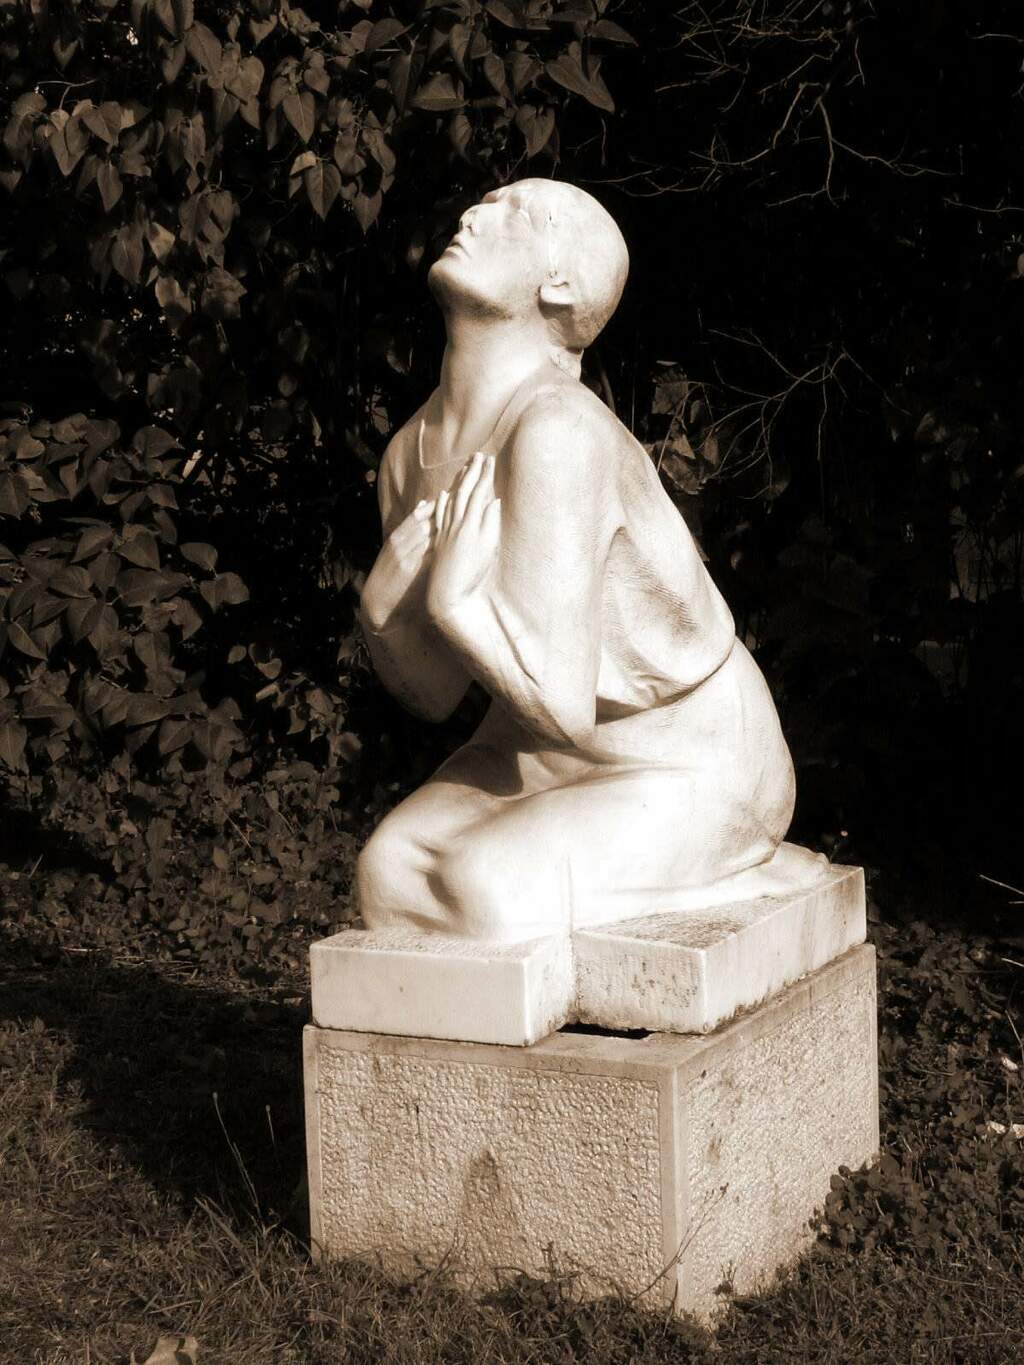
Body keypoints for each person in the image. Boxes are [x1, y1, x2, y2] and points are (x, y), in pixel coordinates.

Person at [356, 179, 802, 942]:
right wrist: (381, 616)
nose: (475, 213)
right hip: (534, 750)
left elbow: (563, 704)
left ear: (559, 284)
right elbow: (435, 695)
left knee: (486, 894)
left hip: (688, 750)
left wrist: (455, 605)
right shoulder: (407, 456)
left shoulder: (557, 431)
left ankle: (742, 861)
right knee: (387, 873)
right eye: (484, 203)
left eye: (514, 213)